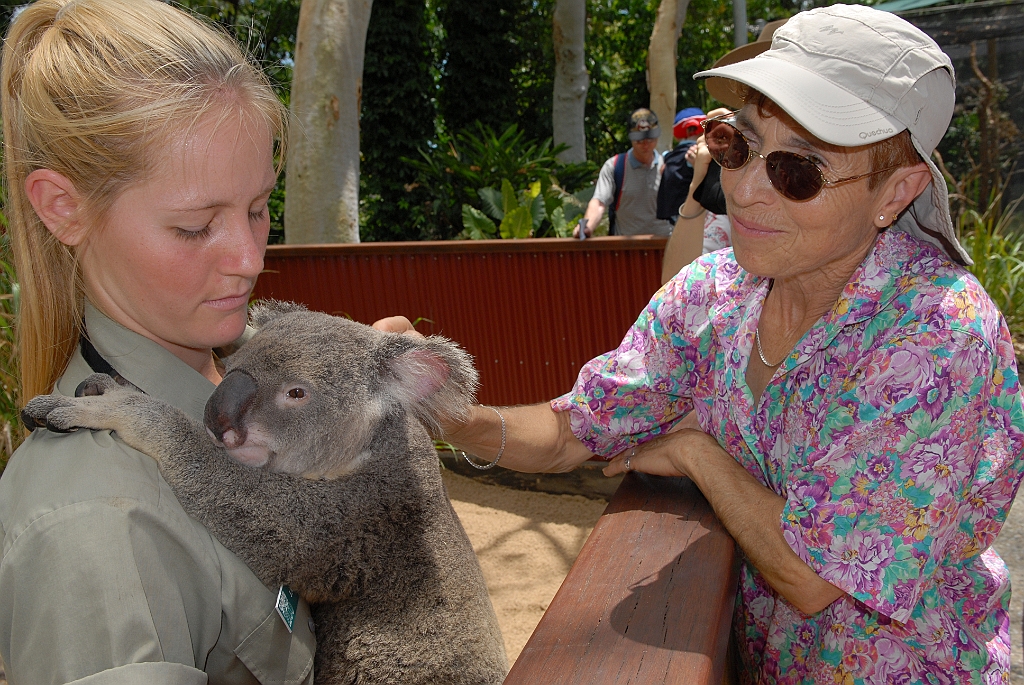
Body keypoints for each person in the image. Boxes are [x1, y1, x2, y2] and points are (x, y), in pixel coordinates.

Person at [434, 5, 1024, 683]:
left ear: (897, 190)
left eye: (799, 172)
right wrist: (440, 411)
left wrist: (697, 453)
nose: (743, 190)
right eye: (736, 145)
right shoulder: (716, 290)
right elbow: (576, 428)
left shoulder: (936, 332)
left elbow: (812, 574)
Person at [0, 1, 403, 681]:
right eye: (195, 227)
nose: (249, 258)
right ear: (63, 207)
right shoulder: (102, 529)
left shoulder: (240, 372)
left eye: (257, 209)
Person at [574, 108, 672, 238]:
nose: (645, 144)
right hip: (626, 248)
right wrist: (587, 226)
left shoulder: (669, 165)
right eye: (639, 140)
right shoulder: (615, 167)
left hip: (666, 245)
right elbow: (599, 202)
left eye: (650, 139)